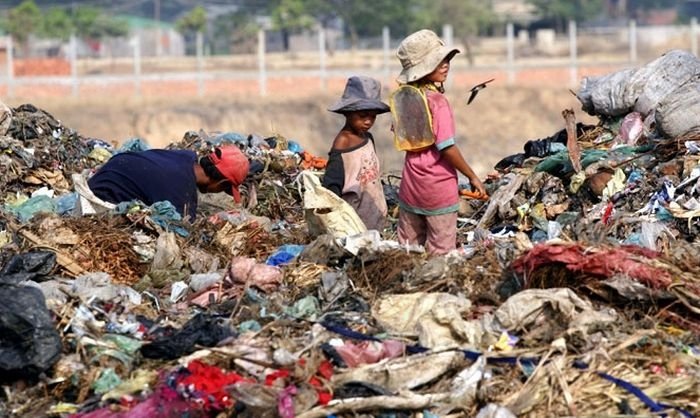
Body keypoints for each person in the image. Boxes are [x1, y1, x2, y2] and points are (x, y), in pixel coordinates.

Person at [392, 29, 486, 255]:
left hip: (411, 184)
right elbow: (446, 147)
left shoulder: (404, 99)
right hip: (438, 188)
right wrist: (472, 176)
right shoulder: (438, 102)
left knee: (406, 251)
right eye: (438, 62)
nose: (445, 65)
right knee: (441, 254)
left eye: (446, 60)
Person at [87, 146, 249, 221]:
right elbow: (182, 230)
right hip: (97, 199)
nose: (218, 192)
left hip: (106, 172)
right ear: (222, 181)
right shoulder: (180, 188)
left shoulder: (185, 157)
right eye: (225, 188)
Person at [322, 76, 390, 232]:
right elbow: (332, 183)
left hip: (373, 214)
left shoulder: (368, 138)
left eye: (372, 116)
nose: (368, 121)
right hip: (353, 219)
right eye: (362, 116)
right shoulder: (343, 142)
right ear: (347, 113)